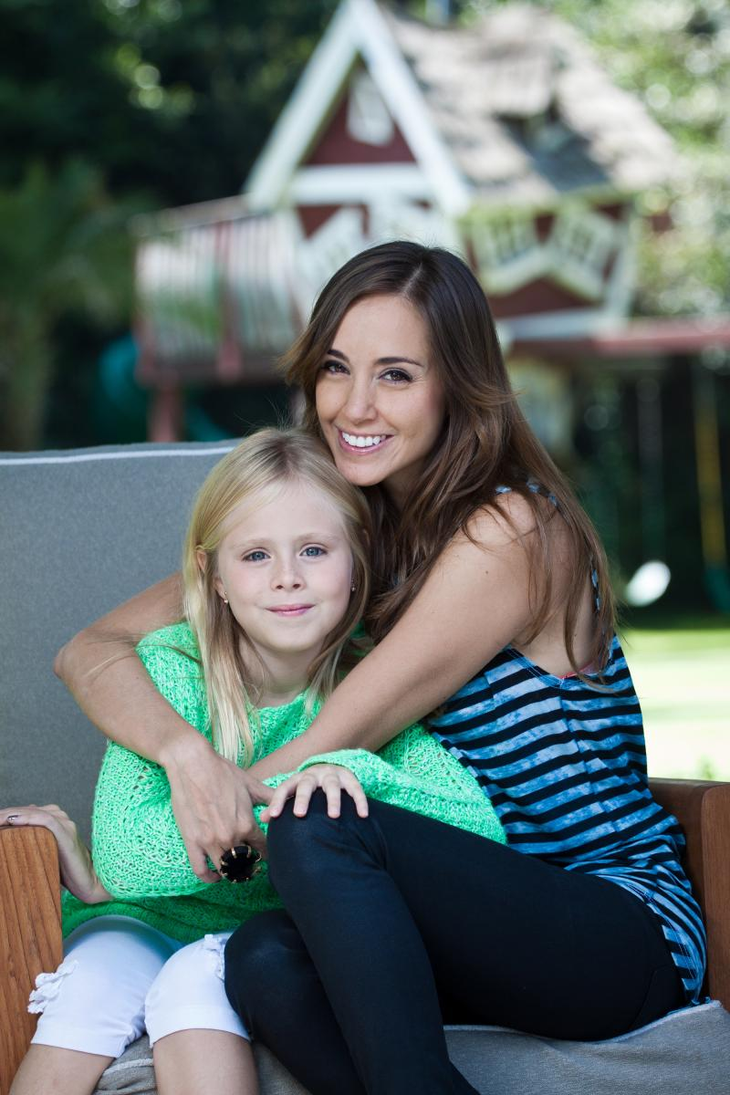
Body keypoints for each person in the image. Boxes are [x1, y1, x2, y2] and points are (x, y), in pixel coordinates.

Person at [56, 243, 706, 1094]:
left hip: (615, 930)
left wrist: (119, 871)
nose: (353, 405)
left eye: (395, 375)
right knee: (261, 958)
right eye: (336, 367)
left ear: (457, 388)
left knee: (317, 810)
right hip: (456, 924)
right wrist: (184, 755)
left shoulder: (511, 530)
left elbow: (323, 749)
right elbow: (89, 650)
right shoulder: (334, 541)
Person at [3, 427, 504, 1095]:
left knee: (196, 986)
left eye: (315, 550)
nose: (287, 576)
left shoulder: (369, 695)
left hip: (257, 936)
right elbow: (127, 854)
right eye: (257, 554)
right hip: (134, 919)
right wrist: (303, 826)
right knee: (88, 988)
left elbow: (478, 833)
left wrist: (354, 779)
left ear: (356, 562)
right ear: (213, 577)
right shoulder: (170, 671)